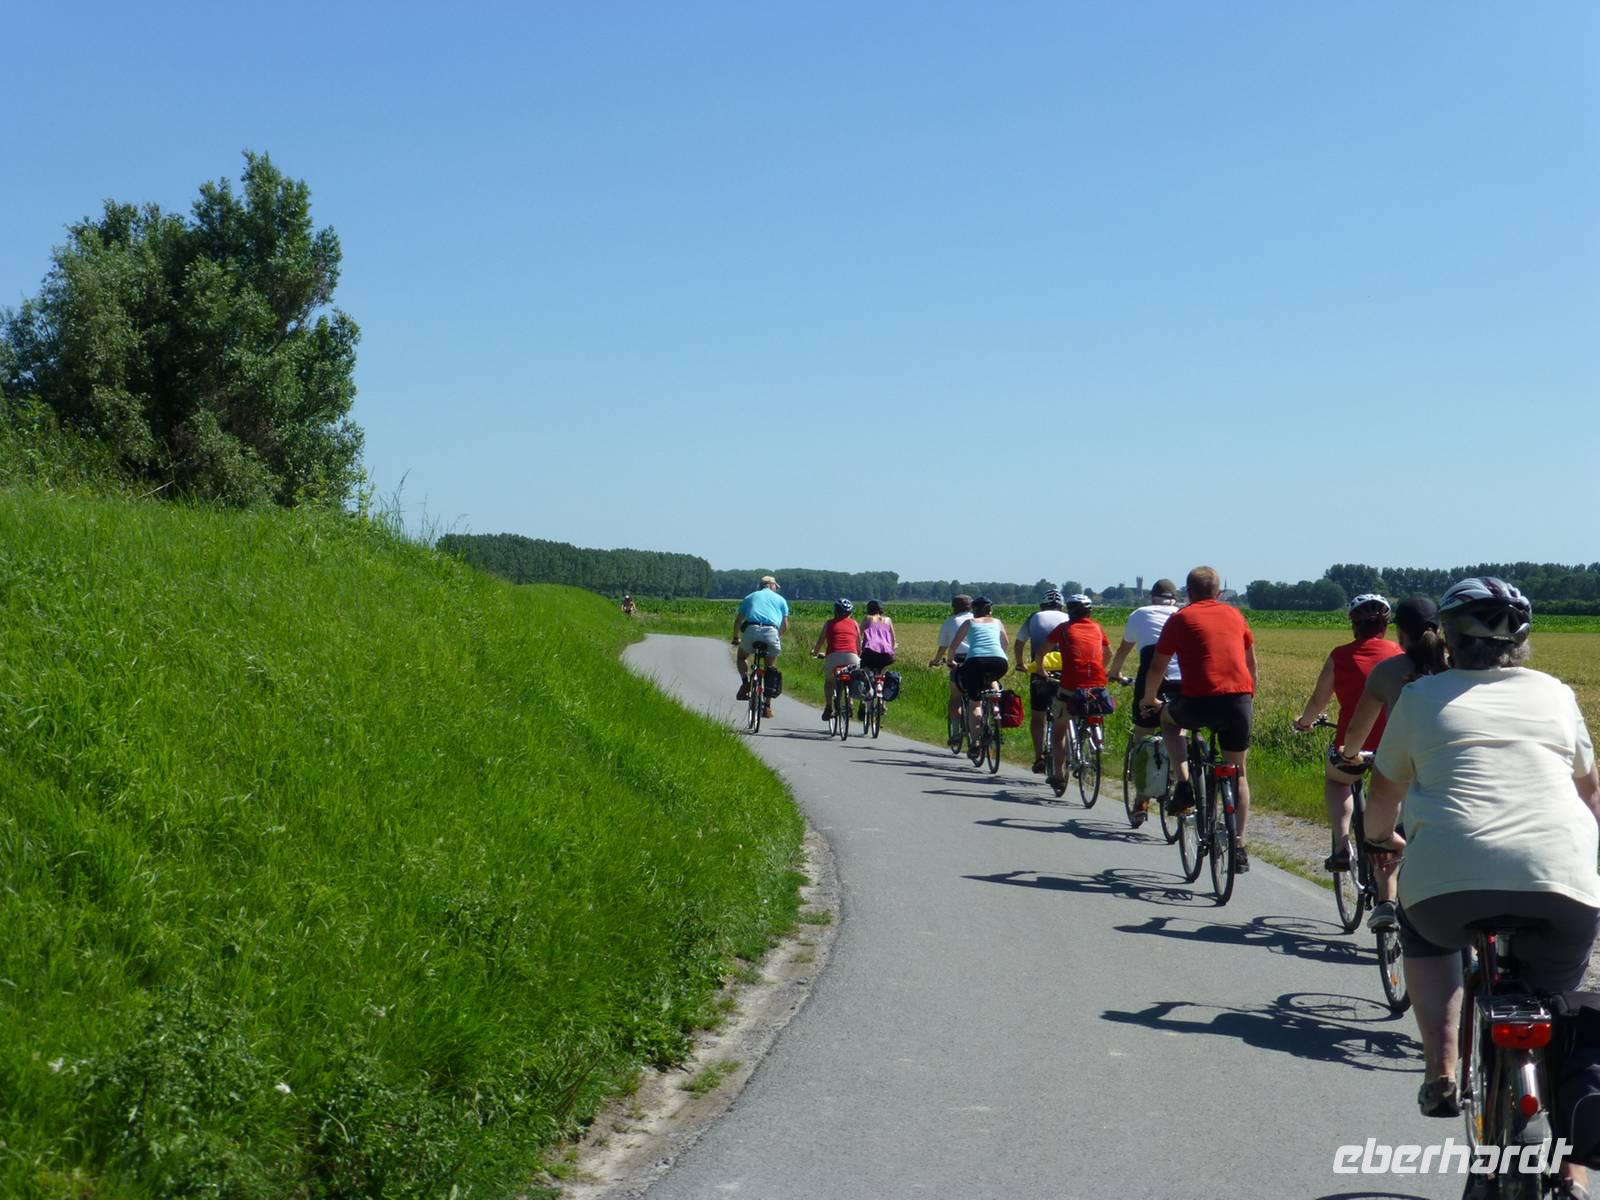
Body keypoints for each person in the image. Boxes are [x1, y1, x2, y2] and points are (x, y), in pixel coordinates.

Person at [1363, 577, 1600, 1180]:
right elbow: (1589, 790)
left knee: (1426, 935)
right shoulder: (1555, 694)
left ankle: (1441, 1070)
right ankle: (1569, 1173)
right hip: (1561, 875)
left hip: (1447, 878)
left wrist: (1377, 839)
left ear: (1448, 637)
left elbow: (1384, 790)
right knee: (1560, 1011)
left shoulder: (1421, 697)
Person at [1325, 596, 1449, 932]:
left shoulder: (1391, 669)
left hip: (1396, 765)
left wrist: (1348, 754)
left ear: (1401, 633)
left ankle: (1386, 901)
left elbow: (1356, 730)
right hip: (1444, 768)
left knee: (1383, 833)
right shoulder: (1455, 669)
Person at [1142, 566, 1257, 874]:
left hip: (1197, 702)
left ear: (1188, 592)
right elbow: (1251, 663)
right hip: (1238, 701)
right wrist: (1249, 698)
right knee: (1238, 773)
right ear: (1217, 592)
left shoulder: (1180, 618)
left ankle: (1182, 784)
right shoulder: (1236, 616)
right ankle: (1240, 845)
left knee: (1168, 722)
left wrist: (1150, 699)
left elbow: (1157, 666)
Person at [1292, 594, 1405, 897]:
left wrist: (1304, 722)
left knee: (1336, 779)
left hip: (1351, 749)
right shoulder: (1400, 654)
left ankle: (1342, 844)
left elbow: (1319, 700)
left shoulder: (1340, 655)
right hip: (1394, 750)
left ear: (1353, 624)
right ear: (1386, 625)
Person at [1107, 579, 1183, 819]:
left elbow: (1123, 649)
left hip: (1151, 676)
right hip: (1182, 679)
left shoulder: (1139, 613)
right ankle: (1183, 784)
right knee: (1179, 729)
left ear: (1152, 598)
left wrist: (1114, 673)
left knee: (1143, 733)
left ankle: (1141, 801)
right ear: (1175, 599)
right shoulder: (1182, 614)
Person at [1038, 595, 1112, 797]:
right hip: (1097, 686)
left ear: (1069, 611)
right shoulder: (1097, 628)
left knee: (1059, 730)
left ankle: (1059, 774)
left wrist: (1042, 671)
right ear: (1090, 612)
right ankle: (1093, 742)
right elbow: (1108, 654)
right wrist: (1101, 673)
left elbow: (1042, 651)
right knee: (1091, 715)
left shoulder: (1063, 628)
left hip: (1071, 686)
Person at [1012, 588, 1069, 772]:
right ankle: (1066, 756)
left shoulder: (1034, 617)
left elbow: (1019, 643)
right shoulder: (1069, 618)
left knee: (1038, 716)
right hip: (1066, 670)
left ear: (1042, 605)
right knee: (1065, 715)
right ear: (1061, 606)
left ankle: (1039, 758)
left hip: (1040, 669)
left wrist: (1021, 664)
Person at [945, 596, 1009, 757]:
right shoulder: (997, 622)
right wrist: (1000, 655)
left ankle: (975, 743)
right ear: (990, 610)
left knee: (975, 704)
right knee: (992, 680)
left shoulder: (970, 623)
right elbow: (1006, 643)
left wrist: (951, 661)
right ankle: (996, 704)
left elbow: (953, 645)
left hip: (975, 662)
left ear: (974, 611)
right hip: (999, 662)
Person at [733, 575, 790, 718]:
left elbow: (738, 620)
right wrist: (778, 636)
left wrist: (736, 637)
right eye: (776, 586)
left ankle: (745, 682)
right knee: (770, 669)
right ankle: (767, 706)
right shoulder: (781, 600)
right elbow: (785, 625)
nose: (776, 588)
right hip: (771, 631)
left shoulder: (750, 597)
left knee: (741, 657)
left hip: (751, 630)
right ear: (771, 585)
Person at [929, 594, 975, 730]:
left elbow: (944, 646)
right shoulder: (979, 620)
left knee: (955, 698)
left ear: (954, 607)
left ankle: (955, 733)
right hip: (978, 657)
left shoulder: (950, 622)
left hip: (959, 660)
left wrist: (935, 661)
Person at [812, 598, 862, 723]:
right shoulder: (855, 623)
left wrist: (815, 653)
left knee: (829, 682)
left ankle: (829, 707)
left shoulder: (829, 623)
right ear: (850, 612)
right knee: (852, 678)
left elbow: (820, 642)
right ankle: (849, 702)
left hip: (833, 656)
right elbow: (859, 644)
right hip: (852, 657)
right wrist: (858, 655)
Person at [860, 599, 897, 675]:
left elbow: (858, 635)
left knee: (865, 672)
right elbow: (893, 639)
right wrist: (892, 650)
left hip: (870, 651)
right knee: (882, 675)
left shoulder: (867, 618)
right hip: (886, 653)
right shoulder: (888, 620)